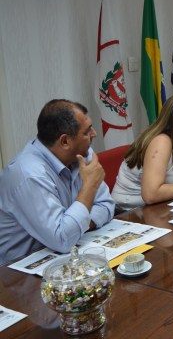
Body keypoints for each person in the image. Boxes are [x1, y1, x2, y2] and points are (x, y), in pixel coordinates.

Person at [0, 99, 115, 264]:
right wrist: (89, 186)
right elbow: (63, 239)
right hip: (19, 272)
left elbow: (106, 205)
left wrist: (76, 226)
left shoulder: (82, 154)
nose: (94, 134)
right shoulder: (30, 174)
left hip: (62, 255)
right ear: (65, 141)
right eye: (87, 131)